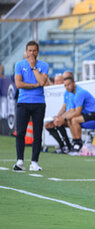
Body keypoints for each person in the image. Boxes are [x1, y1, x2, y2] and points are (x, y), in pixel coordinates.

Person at [13, 41, 49, 171]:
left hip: (39, 103)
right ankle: (20, 161)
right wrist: (34, 86)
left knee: (37, 134)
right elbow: (19, 84)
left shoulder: (44, 65)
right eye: (29, 50)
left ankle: (34, 162)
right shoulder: (19, 65)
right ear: (26, 52)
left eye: (34, 50)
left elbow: (42, 82)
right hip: (23, 102)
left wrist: (33, 67)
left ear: (37, 52)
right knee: (21, 132)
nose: (32, 53)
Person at [62, 74, 95, 153]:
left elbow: (78, 112)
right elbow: (72, 111)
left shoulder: (80, 93)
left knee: (74, 120)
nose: (67, 87)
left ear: (74, 83)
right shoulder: (72, 94)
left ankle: (79, 143)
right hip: (90, 114)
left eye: (69, 84)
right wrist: (62, 117)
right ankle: (75, 141)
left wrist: (65, 118)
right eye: (65, 86)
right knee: (70, 120)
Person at [44, 71, 74, 154]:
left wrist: (60, 118)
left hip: (73, 116)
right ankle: (62, 146)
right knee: (48, 124)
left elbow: (73, 110)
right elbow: (64, 107)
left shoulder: (76, 92)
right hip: (67, 115)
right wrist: (57, 116)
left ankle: (68, 146)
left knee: (59, 122)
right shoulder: (66, 92)